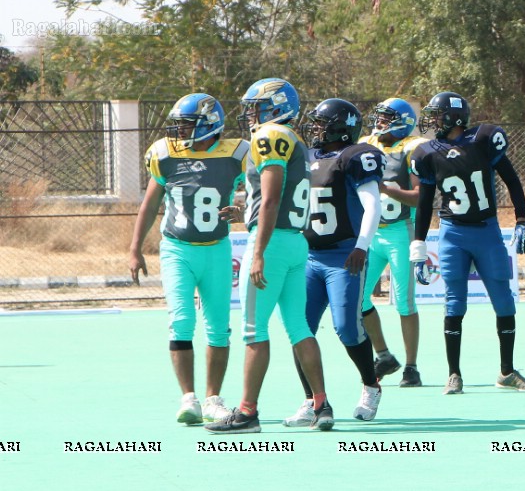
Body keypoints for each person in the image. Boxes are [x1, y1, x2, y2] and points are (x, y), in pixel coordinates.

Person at [206, 78, 333, 434]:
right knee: (299, 326)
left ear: (277, 105)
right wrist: (246, 211)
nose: (252, 113)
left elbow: (274, 198)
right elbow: (276, 196)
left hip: (273, 244)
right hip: (295, 241)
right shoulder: (294, 138)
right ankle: (321, 404)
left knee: (253, 330)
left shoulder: (270, 135)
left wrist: (258, 250)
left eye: (257, 106)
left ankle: (247, 413)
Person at [409, 92, 525, 395]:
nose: (432, 121)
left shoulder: (482, 140)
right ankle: (454, 374)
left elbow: (512, 179)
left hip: (487, 230)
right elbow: (425, 203)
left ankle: (507, 371)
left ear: (453, 117)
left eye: (437, 115)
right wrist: (419, 245)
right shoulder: (427, 153)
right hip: (452, 232)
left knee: (504, 301)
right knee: (454, 303)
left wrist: (521, 218)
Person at [130, 93, 247, 425]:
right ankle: (188, 398)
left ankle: (213, 398)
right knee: (181, 321)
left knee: (219, 328)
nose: (178, 131)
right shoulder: (165, 156)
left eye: (185, 124)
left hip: (217, 249)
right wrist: (135, 247)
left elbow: (261, 192)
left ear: (208, 125)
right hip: (177, 249)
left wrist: (242, 210)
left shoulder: (237, 154)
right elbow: (151, 204)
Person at [287, 99, 386, 423]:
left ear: (340, 127)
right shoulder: (307, 156)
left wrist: (361, 246)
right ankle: (311, 401)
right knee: (299, 327)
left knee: (346, 327)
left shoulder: (355, 156)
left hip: (344, 255)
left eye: (320, 123)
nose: (314, 129)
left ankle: (371, 386)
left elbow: (373, 206)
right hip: (308, 256)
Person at [360, 98, 425, 388]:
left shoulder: (412, 148)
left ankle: (411, 367)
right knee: (358, 299)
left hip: (400, 230)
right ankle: (384, 354)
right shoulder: (367, 143)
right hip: (371, 233)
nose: (380, 123)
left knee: (405, 302)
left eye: (387, 118)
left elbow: (421, 196)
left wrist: (385, 188)